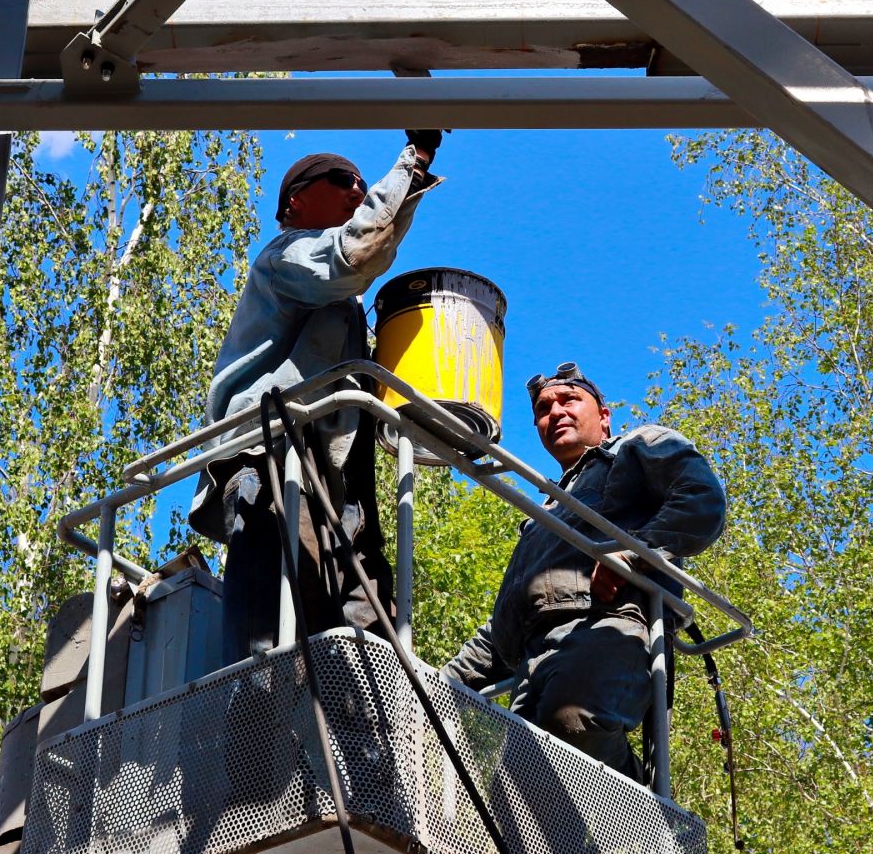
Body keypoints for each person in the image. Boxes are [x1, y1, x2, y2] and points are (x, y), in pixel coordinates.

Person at [190, 131, 444, 666]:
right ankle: (256, 734)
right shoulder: (287, 259)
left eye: (361, 182)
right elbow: (355, 253)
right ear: (295, 202)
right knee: (276, 639)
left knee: (367, 641)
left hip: (335, 482)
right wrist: (410, 163)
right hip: (272, 456)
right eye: (342, 180)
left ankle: (360, 740)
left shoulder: (342, 310)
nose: (357, 189)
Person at [442, 362, 726, 779]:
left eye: (569, 400)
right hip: (531, 661)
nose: (555, 412)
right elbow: (509, 617)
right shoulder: (542, 517)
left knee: (573, 720)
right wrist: (438, 681)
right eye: (543, 408)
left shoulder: (639, 446)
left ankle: (647, 826)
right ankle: (598, 843)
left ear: (604, 416)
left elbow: (700, 500)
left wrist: (633, 556)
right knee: (515, 791)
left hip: (606, 628)